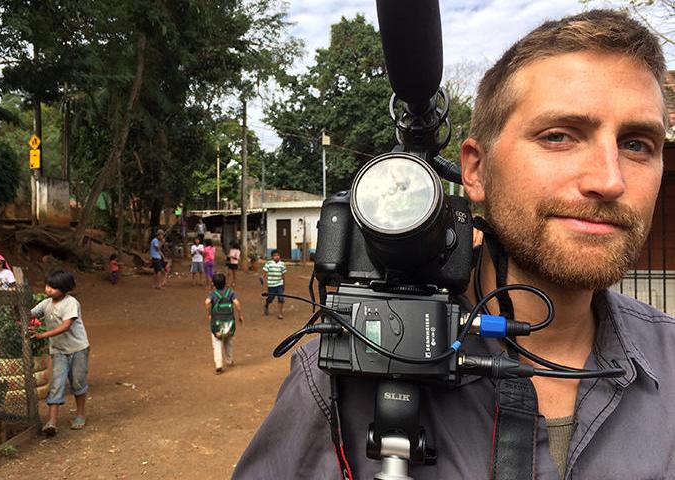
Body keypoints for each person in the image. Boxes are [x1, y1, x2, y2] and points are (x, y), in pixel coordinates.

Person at [234, 10, 673, 479]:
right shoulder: (340, 382)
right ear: (475, 171)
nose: (608, 179)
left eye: (637, 144)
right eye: (559, 136)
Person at [30, 270, 90, 436]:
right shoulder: (46, 303)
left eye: (54, 287)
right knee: (56, 384)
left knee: (78, 382)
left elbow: (66, 325)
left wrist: (42, 335)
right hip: (59, 351)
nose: (49, 290)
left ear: (64, 289)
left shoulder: (71, 303)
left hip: (78, 348)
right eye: (48, 286)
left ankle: (80, 414)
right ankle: (52, 422)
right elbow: (31, 313)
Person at [205, 272, 244, 374]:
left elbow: (207, 302)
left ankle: (218, 365)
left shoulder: (213, 294)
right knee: (228, 341)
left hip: (217, 323)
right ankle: (229, 360)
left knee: (217, 343)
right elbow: (237, 303)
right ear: (225, 282)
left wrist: (209, 313)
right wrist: (240, 315)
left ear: (213, 283)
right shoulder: (230, 293)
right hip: (229, 323)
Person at [262, 250, 287, 319]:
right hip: (271, 285)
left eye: (278, 255)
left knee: (281, 298)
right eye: (275, 255)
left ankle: (280, 313)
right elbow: (264, 272)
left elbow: (283, 275)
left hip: (280, 284)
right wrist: (263, 278)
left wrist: (284, 284)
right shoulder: (269, 263)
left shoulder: (282, 264)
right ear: (272, 257)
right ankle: (266, 305)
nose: (277, 257)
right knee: (270, 298)